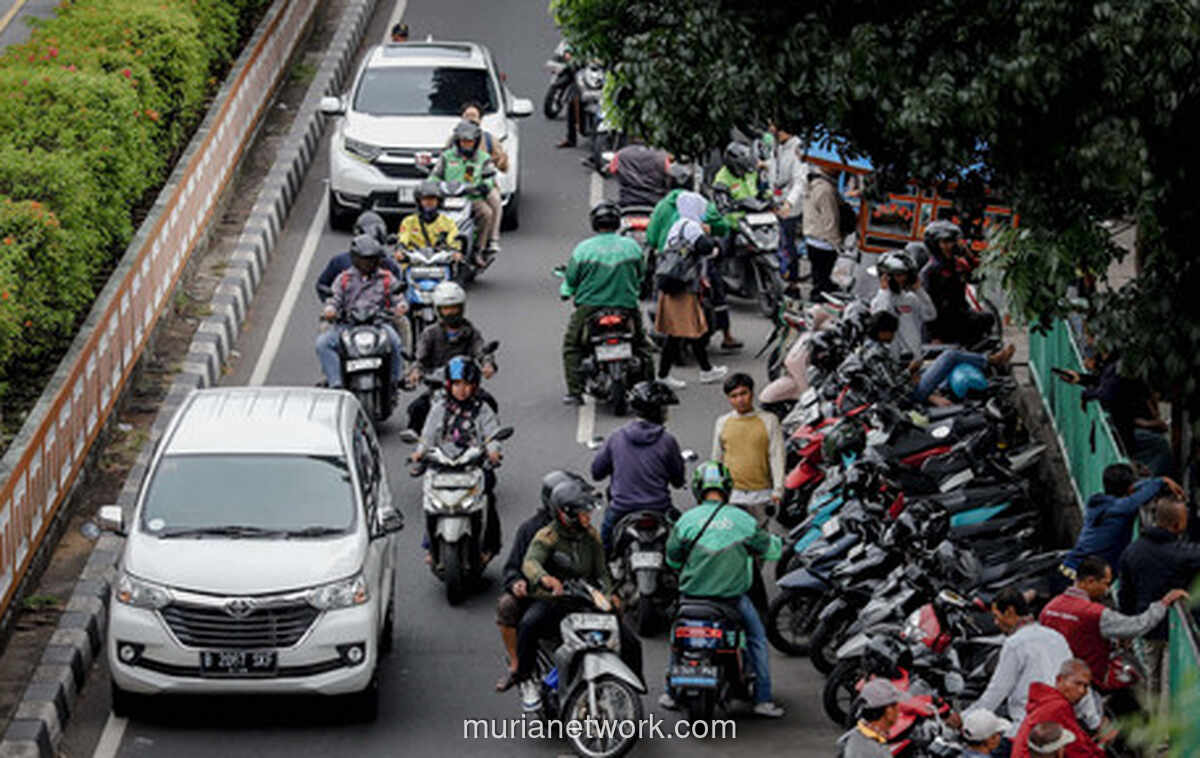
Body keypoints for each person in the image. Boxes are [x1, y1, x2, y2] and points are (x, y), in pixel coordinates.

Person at [660, 460, 785, 718]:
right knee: (757, 638)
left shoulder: (686, 521)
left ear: (697, 489)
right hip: (731, 601)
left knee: (676, 639)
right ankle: (762, 699)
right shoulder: (742, 520)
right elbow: (770, 549)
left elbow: (672, 559)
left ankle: (670, 693)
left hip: (691, 600)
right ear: (727, 488)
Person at [515, 477, 642, 710]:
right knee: (528, 624)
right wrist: (545, 579)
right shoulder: (547, 537)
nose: (588, 516)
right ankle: (526, 680)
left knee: (630, 641)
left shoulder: (591, 536)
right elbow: (530, 563)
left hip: (585, 598)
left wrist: (609, 593)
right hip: (555, 600)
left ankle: (631, 688)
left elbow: (602, 571)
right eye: (583, 512)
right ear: (566, 514)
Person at [1039, 555, 1187, 716]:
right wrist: (1163, 604)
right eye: (1105, 583)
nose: (1107, 589)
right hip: (1094, 680)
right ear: (1090, 581)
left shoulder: (1049, 608)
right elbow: (1138, 625)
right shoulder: (1095, 613)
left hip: (1056, 679)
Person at [959, 588, 1098, 738]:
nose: (995, 622)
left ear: (1010, 612)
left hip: (1028, 727)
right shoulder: (1056, 637)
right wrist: (1094, 722)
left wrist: (964, 718)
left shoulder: (1015, 643)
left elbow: (997, 692)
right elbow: (1078, 683)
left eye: (996, 616)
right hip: (1061, 724)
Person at [410, 356, 503, 564]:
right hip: (443, 464)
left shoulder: (483, 409)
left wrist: (493, 451)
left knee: (489, 496)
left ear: (475, 385)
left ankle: (488, 545)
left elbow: (492, 434)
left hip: (474, 465)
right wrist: (419, 452)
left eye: (468, 384)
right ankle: (430, 544)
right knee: (430, 501)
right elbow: (427, 434)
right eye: (458, 384)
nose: (462, 390)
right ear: (449, 385)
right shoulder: (440, 408)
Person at [493, 470, 579, 692]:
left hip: (575, 595)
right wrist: (516, 583)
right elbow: (512, 567)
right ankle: (518, 667)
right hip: (540, 598)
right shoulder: (529, 529)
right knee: (508, 607)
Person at [560, 200, 651, 405]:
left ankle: (575, 392)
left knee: (572, 346)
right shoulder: (632, 247)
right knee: (641, 345)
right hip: (626, 305)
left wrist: (566, 291)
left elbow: (571, 279)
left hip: (590, 307)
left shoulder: (583, 249)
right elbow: (641, 273)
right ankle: (648, 384)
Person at [1117, 496, 1200, 708]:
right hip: (1174, 629)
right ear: (1177, 523)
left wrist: (1126, 628)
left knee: (1152, 677)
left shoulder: (1133, 550)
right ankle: (1164, 735)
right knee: (1169, 682)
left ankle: (1154, 723)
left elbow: (1125, 594)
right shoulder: (1183, 553)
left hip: (1147, 625)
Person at [590, 380, 686, 554]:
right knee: (682, 543)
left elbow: (596, 472)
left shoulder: (616, 437)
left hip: (621, 509)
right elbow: (678, 480)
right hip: (660, 508)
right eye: (664, 409)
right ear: (657, 412)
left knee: (605, 545)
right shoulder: (667, 441)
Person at [1060, 463, 1182, 583]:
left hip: (1072, 568)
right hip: (1081, 576)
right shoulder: (1121, 509)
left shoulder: (1099, 502)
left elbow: (1136, 489)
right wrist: (1161, 481)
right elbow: (1139, 497)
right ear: (1129, 489)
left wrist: (1156, 481)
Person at [315, 234, 405, 390]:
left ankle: (396, 379)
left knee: (395, 342)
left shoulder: (387, 278)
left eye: (370, 260)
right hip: (348, 325)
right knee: (323, 343)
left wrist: (401, 307)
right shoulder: (343, 279)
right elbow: (334, 299)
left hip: (379, 324)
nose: (367, 264)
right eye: (363, 260)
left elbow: (398, 298)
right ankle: (335, 382)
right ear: (355, 259)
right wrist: (330, 310)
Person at [406, 281, 496, 433]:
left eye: (455, 308)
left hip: (465, 384)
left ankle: (488, 440)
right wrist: (415, 371)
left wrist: (487, 364)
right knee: (416, 409)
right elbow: (420, 358)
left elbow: (481, 351)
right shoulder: (430, 333)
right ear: (438, 310)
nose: (451, 313)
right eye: (447, 309)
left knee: (490, 403)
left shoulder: (470, 332)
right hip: (438, 387)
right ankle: (420, 446)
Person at [654, 218, 729, 387]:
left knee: (686, 331)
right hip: (683, 289)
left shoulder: (676, 227)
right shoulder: (692, 227)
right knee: (687, 332)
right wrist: (708, 235)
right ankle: (699, 371)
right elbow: (707, 248)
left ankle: (704, 370)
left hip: (673, 287)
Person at [711, 373, 785, 525]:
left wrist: (778, 489)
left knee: (759, 538)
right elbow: (716, 459)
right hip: (733, 494)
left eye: (743, 393)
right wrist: (715, 490)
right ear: (728, 399)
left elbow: (777, 456)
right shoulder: (722, 422)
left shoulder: (769, 420)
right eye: (734, 396)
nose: (739, 400)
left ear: (752, 393)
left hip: (762, 494)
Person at [918, 220, 995, 346]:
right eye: (945, 242)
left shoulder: (958, 264)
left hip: (960, 316)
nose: (950, 246)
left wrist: (968, 254)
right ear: (935, 244)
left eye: (952, 242)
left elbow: (977, 277)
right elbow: (927, 307)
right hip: (940, 325)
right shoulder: (930, 272)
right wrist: (935, 336)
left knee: (987, 319)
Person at [1010, 660, 1105, 758]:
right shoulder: (1058, 707)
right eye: (1077, 683)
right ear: (1059, 679)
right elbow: (1078, 750)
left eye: (1085, 686)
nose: (1082, 691)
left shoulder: (1049, 702)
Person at [431, 120, 497, 259]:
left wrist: (484, 186)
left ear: (476, 142)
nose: (466, 144)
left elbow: (489, 177)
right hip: (447, 198)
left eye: (470, 142)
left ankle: (478, 250)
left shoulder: (483, 158)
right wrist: (434, 186)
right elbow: (435, 175)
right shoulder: (447, 156)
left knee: (486, 213)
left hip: (472, 198)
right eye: (463, 141)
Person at [314, 211, 403, 300]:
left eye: (372, 260)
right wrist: (332, 301)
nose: (367, 265)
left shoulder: (389, 265)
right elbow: (322, 285)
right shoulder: (339, 262)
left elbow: (399, 289)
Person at [870, 250, 937, 364]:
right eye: (898, 275)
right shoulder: (879, 300)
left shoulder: (911, 298)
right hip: (891, 360)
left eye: (905, 274)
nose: (902, 279)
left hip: (914, 358)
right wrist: (885, 291)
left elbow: (930, 315)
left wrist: (919, 291)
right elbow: (883, 317)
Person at [457, 101, 507, 254]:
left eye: (474, 117)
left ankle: (491, 240)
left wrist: (499, 160)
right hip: (457, 186)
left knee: (495, 201)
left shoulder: (489, 140)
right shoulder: (454, 140)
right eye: (467, 117)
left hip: (481, 185)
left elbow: (503, 165)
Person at [768, 122, 806, 294]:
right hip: (775, 200)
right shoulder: (777, 146)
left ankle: (793, 282)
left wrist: (789, 202)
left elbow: (800, 180)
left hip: (789, 206)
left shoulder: (797, 148)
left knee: (787, 244)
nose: (770, 130)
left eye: (773, 126)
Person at [836, 678, 904, 757]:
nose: (899, 710)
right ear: (889, 711)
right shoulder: (873, 752)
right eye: (896, 705)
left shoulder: (856, 735)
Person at [803, 163, 842, 300]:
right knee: (822, 281)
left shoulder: (812, 184)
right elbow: (830, 220)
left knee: (818, 276)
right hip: (824, 241)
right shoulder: (825, 190)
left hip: (812, 238)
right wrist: (837, 243)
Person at [396, 180, 463, 257]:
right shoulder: (408, 221)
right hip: (414, 263)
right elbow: (403, 238)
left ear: (438, 201)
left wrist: (455, 251)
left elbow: (453, 241)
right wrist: (400, 250)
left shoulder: (448, 222)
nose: (429, 202)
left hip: (439, 263)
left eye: (432, 199)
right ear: (419, 201)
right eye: (425, 199)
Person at [607, 137, 671, 208]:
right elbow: (669, 172)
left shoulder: (621, 154)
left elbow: (612, 169)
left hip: (627, 201)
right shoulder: (662, 155)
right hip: (655, 203)